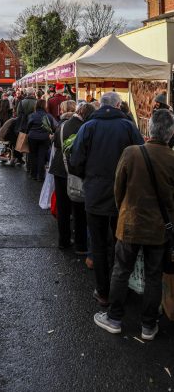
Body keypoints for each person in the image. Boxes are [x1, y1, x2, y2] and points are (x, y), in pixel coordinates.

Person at [94, 110, 174, 340]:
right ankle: (148, 325)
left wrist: (124, 211)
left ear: (150, 129)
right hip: (159, 228)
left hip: (130, 223)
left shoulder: (131, 153)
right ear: (170, 134)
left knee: (121, 271)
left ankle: (114, 318)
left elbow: (118, 188)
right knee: (153, 275)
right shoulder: (171, 158)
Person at [70, 92, 144, 306]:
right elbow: (141, 156)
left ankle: (103, 292)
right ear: (119, 105)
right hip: (123, 195)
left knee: (100, 244)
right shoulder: (128, 126)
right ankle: (119, 290)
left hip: (94, 194)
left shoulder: (88, 127)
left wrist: (89, 178)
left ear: (101, 106)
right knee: (121, 242)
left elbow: (76, 161)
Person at [49, 102, 95, 252]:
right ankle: (80, 245)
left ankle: (63, 240)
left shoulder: (63, 125)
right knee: (79, 209)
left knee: (63, 209)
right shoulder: (86, 128)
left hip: (59, 170)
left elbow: (56, 143)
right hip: (76, 172)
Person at [27, 99, 56, 181]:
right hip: (45, 137)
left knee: (33, 155)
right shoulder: (48, 116)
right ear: (44, 106)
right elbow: (53, 127)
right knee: (41, 156)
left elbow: (28, 126)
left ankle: (33, 174)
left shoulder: (32, 115)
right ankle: (40, 176)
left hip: (32, 137)